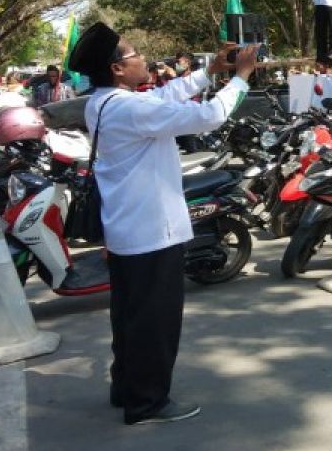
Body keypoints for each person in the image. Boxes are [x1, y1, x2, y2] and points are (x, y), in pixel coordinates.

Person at [69, 22, 258, 425]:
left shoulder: (102, 102)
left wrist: (210, 72)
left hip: (128, 230)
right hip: (152, 231)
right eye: (135, 53)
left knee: (129, 317)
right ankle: (147, 402)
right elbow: (209, 115)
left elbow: (163, 95)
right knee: (155, 321)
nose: (144, 59)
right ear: (117, 69)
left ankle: (126, 389)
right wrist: (240, 78)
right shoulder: (130, 108)